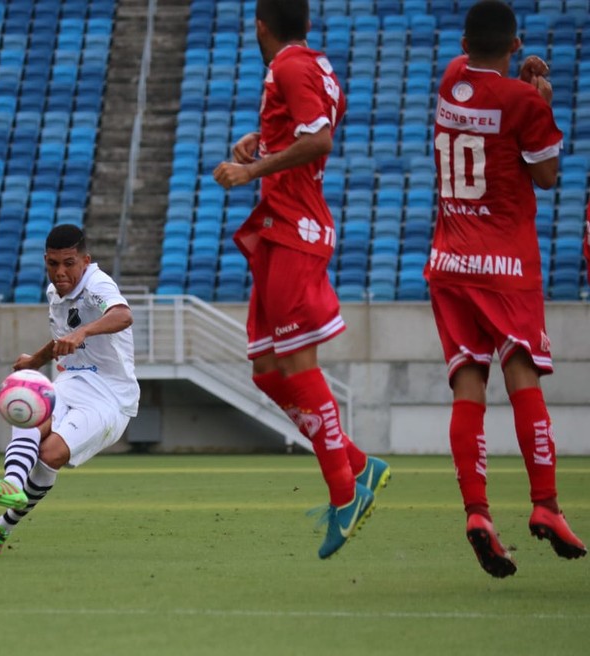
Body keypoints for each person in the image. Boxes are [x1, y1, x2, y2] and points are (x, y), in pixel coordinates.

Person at [213, 0, 390, 560]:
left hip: (296, 227)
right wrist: (261, 145)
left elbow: (319, 143)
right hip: (279, 226)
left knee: (296, 363)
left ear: (260, 25)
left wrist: (250, 168)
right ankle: (360, 465)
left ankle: (346, 494)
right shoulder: (313, 65)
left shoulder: (290, 66)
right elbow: (305, 133)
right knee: (266, 369)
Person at [425, 0, 586, 578]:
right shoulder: (524, 103)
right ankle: (545, 504)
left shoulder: (449, 78)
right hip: (506, 265)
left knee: (468, 387)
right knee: (522, 375)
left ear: (466, 42)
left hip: (447, 260)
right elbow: (544, 174)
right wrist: (538, 99)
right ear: (515, 44)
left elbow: (483, 105)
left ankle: (477, 514)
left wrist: (517, 87)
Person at [0, 224, 140, 558]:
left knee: (50, 455)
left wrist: (85, 333)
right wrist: (34, 361)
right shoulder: (54, 293)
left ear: (85, 260)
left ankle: (2, 526)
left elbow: (122, 315)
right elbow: (63, 339)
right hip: (71, 382)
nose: (60, 272)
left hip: (110, 396)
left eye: (68, 263)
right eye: (53, 264)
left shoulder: (97, 282)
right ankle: (12, 484)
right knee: (27, 402)